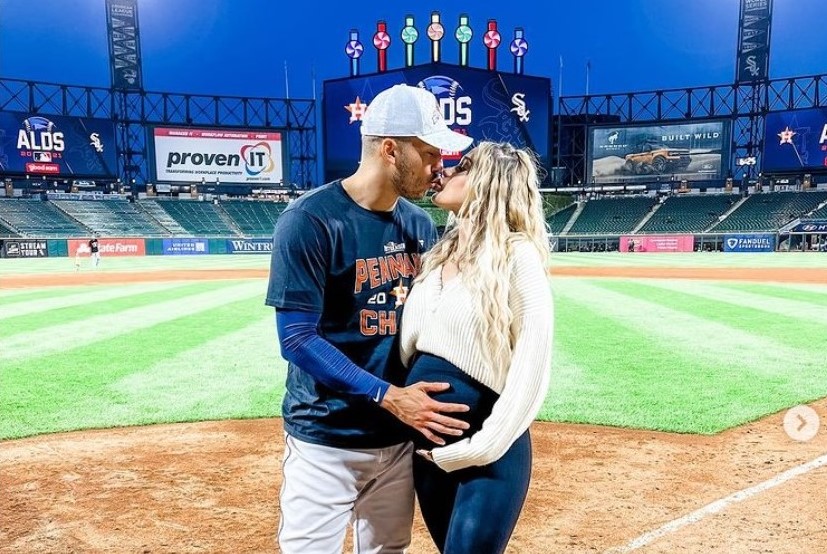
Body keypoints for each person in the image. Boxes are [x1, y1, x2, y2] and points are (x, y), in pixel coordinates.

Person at [265, 84, 475, 554]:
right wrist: (387, 395)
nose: (436, 166)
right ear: (389, 149)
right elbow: (296, 339)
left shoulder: (418, 226)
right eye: (427, 153)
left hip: (398, 440)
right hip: (326, 437)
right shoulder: (310, 220)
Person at [399, 141, 554, 553]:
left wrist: (480, 447)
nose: (445, 172)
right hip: (430, 453)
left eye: (463, 166)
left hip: (489, 454)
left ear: (489, 182)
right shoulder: (435, 259)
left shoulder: (516, 255)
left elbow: (532, 363)